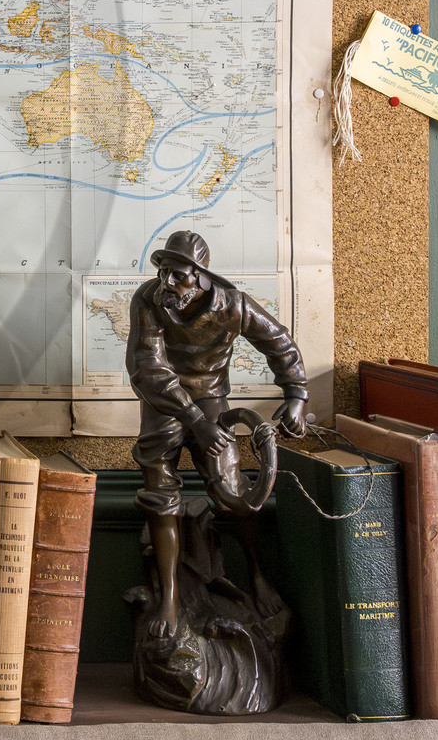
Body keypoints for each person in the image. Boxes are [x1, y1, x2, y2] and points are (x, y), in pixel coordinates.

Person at [126, 229, 308, 636]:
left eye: (178, 275)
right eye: (164, 272)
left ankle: (256, 573)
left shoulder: (233, 305)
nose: (167, 283)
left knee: (234, 492)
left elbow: (279, 342)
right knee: (159, 492)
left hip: (211, 400)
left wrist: (296, 394)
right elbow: (147, 368)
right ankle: (170, 597)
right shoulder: (149, 299)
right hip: (164, 403)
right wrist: (194, 422)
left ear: (202, 276)